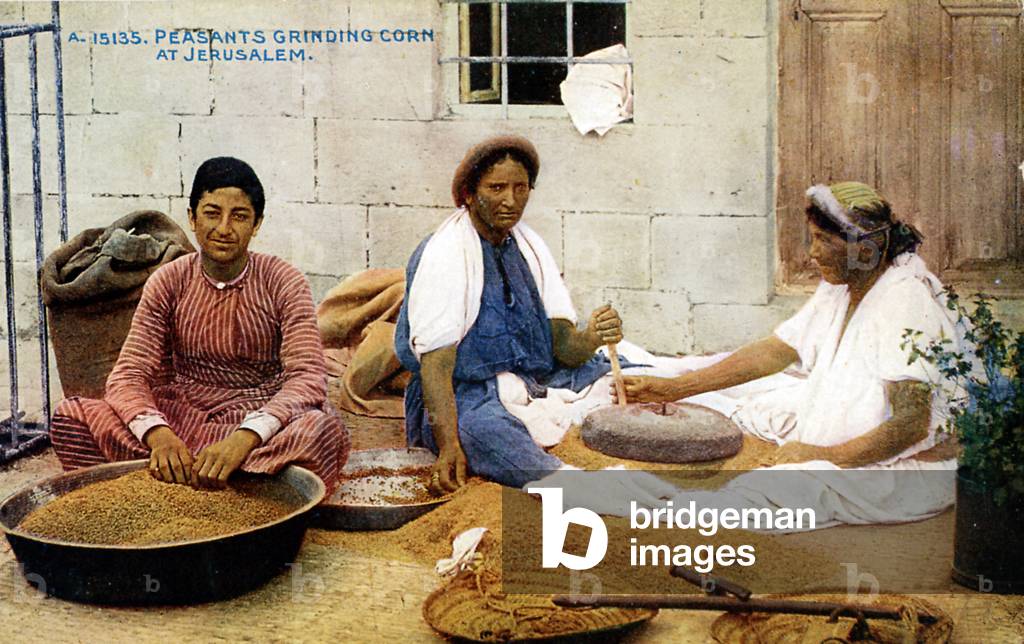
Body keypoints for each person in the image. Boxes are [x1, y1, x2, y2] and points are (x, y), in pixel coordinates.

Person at [610, 182, 963, 526]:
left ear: (866, 250)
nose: (813, 252)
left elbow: (910, 425)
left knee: (754, 498)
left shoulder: (904, 303)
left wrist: (819, 456)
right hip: (851, 454)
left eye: (824, 240)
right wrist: (675, 388)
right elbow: (775, 352)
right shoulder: (844, 287)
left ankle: (642, 503)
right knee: (755, 404)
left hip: (907, 475)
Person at [50, 157, 349, 492]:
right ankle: (230, 486)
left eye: (239, 216)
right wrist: (158, 436)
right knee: (72, 416)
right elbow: (128, 374)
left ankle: (183, 485)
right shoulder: (169, 279)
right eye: (211, 212)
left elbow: (308, 376)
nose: (223, 228)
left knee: (320, 433)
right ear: (192, 217)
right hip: (182, 415)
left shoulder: (283, 280)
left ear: (257, 223)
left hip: (259, 416)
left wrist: (245, 439)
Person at [394, 135, 624, 493]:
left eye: (521, 188)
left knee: (629, 376)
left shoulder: (530, 246)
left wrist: (593, 335)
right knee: (488, 433)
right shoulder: (446, 253)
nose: (510, 200)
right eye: (496, 187)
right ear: (469, 194)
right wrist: (450, 446)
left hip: (534, 380)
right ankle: (576, 486)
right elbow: (436, 366)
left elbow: (563, 348)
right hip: (463, 395)